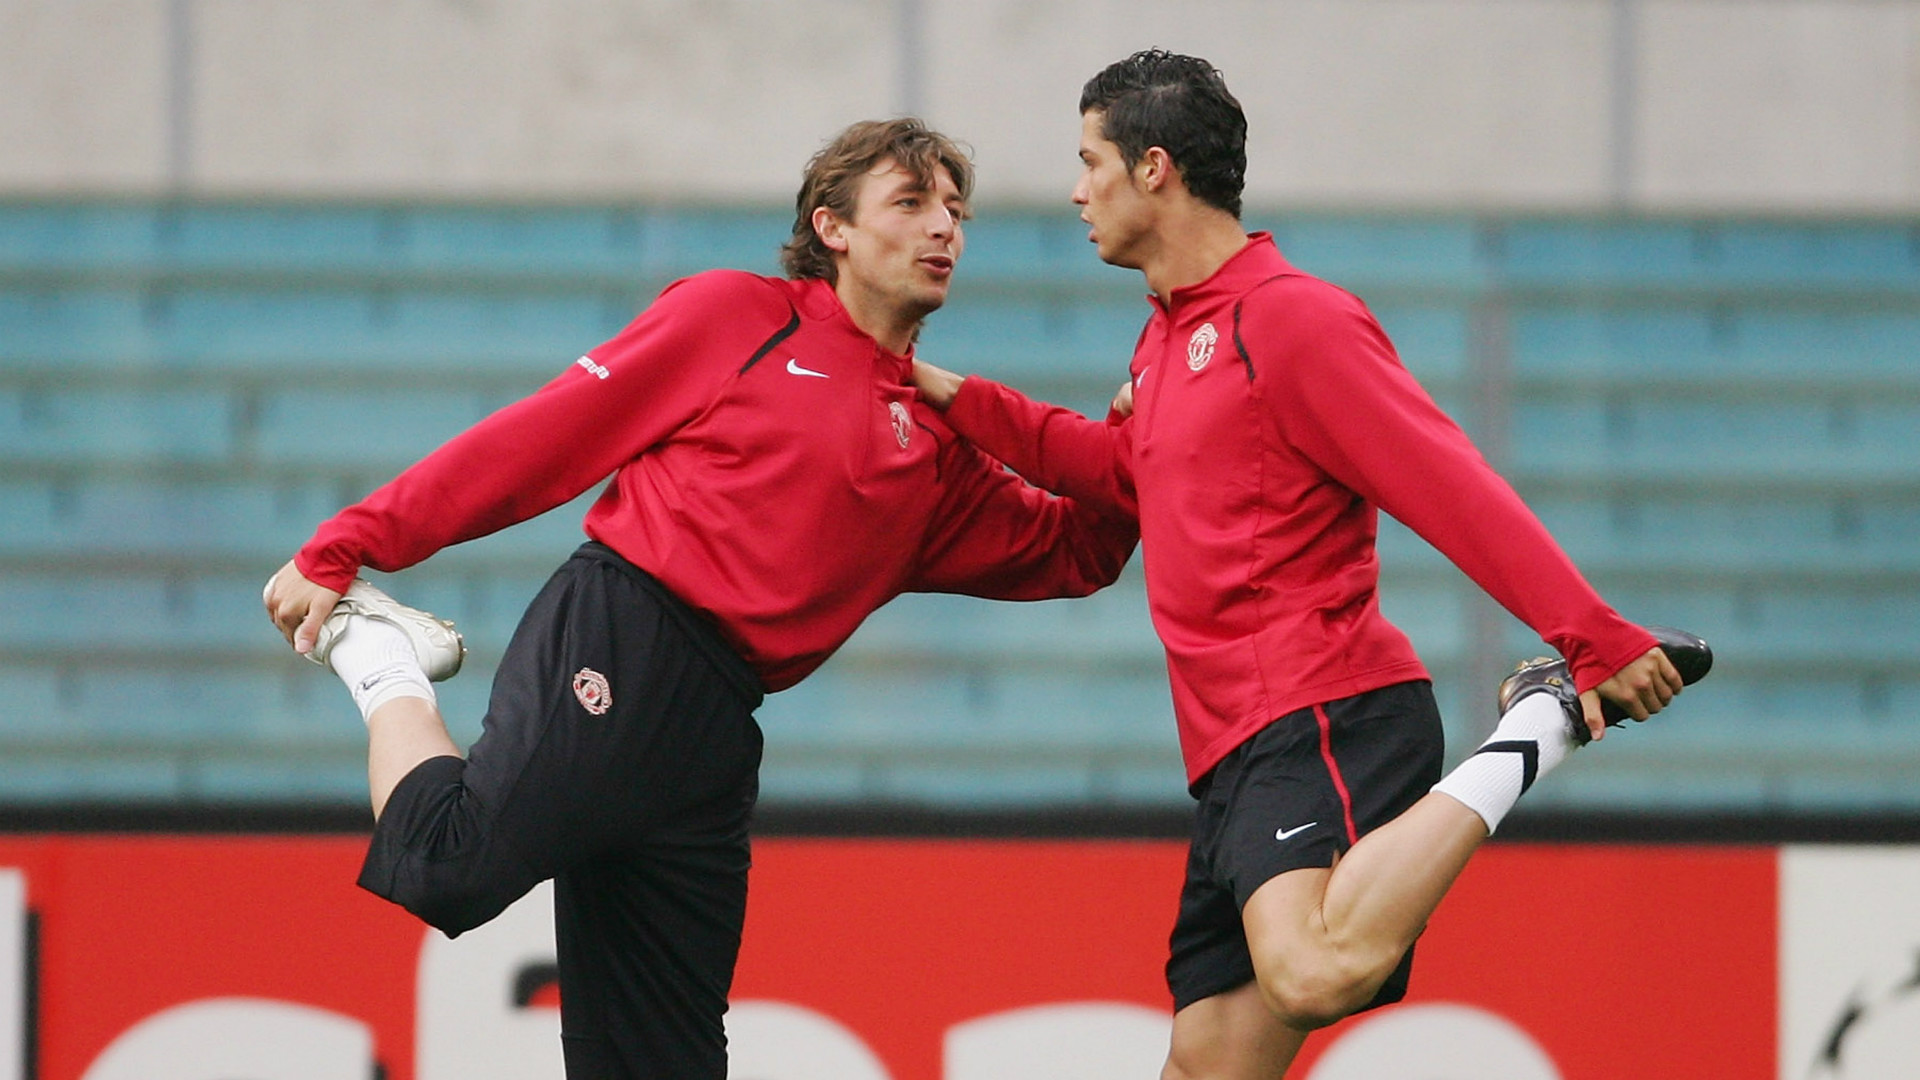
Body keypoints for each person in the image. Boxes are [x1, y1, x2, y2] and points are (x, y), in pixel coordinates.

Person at [262, 117, 1136, 1079]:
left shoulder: (934, 445)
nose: (945, 230)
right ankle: (382, 660)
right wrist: (350, 544)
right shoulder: (740, 318)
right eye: (912, 202)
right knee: (448, 863)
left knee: (661, 1063)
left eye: (957, 211)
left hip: (717, 726)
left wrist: (1143, 448)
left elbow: (1079, 550)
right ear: (832, 226)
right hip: (625, 635)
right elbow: (538, 443)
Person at [910, 51, 1710, 1078]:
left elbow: (1450, 486)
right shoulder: (1167, 342)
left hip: (1324, 713)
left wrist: (1591, 637)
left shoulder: (1291, 320)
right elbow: (1116, 471)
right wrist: (937, 387)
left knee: (1309, 972)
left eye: (1089, 161)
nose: (1076, 192)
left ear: (1155, 168)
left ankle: (1540, 721)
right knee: (1206, 1066)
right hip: (1235, 754)